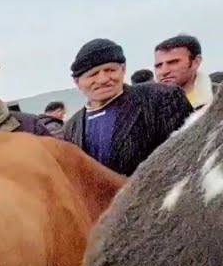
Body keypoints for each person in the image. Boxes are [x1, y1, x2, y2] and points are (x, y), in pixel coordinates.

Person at [64, 38, 193, 176]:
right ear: (77, 82)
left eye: (110, 70)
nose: (103, 79)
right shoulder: (72, 128)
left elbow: (188, 157)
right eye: (93, 74)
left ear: (123, 69)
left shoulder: (161, 99)